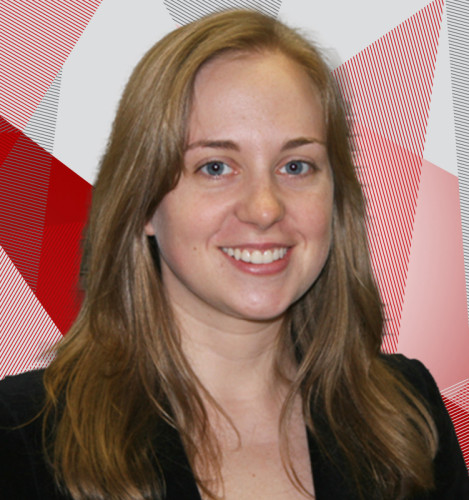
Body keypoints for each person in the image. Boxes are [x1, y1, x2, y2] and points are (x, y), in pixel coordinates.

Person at [0, 9, 467, 500]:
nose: (264, 208)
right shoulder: (20, 440)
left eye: (296, 165)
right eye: (216, 166)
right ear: (142, 202)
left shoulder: (408, 419)